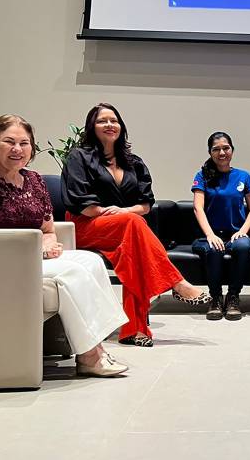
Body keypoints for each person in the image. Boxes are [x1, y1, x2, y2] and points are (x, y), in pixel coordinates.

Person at [0, 114, 128, 377]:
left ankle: (97, 345)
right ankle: (91, 356)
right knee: (73, 273)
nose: (17, 149)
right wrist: (34, 248)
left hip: (29, 257)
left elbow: (48, 230)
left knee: (91, 261)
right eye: (9, 141)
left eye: (24, 143)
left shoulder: (33, 181)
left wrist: (49, 244)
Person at [62, 103, 210, 348]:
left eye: (114, 120)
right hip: (87, 225)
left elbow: (145, 204)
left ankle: (134, 330)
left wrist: (124, 212)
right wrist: (116, 214)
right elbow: (80, 202)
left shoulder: (134, 162)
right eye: (102, 121)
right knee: (133, 225)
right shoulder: (79, 157)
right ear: (92, 127)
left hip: (126, 228)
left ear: (121, 126)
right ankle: (177, 282)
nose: (109, 125)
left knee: (133, 252)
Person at [191, 131, 250, 321]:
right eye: (216, 149)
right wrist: (210, 235)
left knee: (244, 247)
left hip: (236, 234)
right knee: (214, 248)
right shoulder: (202, 176)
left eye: (226, 148)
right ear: (210, 152)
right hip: (209, 234)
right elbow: (198, 208)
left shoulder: (243, 176)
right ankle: (216, 298)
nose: (222, 153)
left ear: (232, 150)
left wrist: (242, 231)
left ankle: (233, 297)